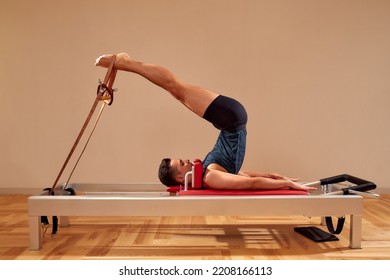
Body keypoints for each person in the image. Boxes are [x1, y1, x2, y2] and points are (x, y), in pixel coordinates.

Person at [95, 53, 315, 191]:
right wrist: (285, 181)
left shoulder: (211, 172)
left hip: (232, 118)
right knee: (176, 88)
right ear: (181, 177)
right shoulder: (212, 177)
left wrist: (282, 179)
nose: (188, 160)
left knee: (176, 88)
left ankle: (126, 63)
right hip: (231, 118)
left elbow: (250, 177)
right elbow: (251, 180)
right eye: (182, 163)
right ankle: (125, 63)